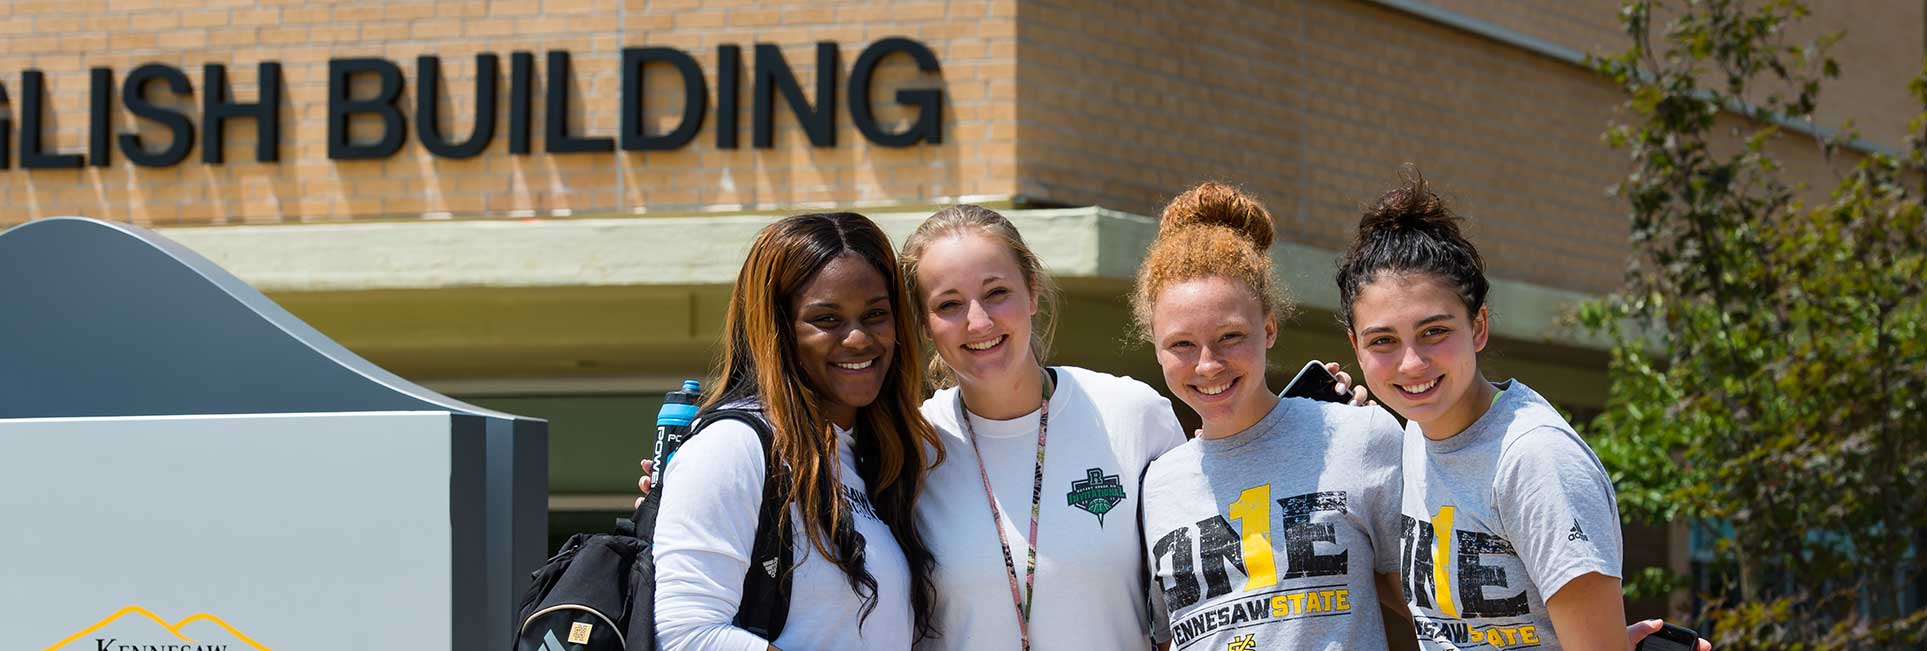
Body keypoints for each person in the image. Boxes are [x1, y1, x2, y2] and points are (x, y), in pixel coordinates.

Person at [1335, 172, 1708, 651]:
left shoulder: (1535, 460)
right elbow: (1440, 614)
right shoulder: (1416, 437)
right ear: (1356, 347)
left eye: (1434, 332)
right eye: (1383, 340)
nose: (1411, 363)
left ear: (1479, 327)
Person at [895, 205, 1189, 651]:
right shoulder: (909, 448)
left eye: (996, 292)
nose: (979, 322)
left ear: (1032, 291)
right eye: (949, 304)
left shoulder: (1133, 415)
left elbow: (1197, 599)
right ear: (924, 324)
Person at [1132, 182, 1411, 650]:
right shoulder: (1157, 486)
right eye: (1181, 344)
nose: (1207, 365)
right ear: (1155, 347)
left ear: (1269, 328)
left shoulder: (1359, 436)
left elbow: (1436, 610)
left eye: (1230, 336)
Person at [651, 212, 943, 651]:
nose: (859, 338)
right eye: (827, 319)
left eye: (876, 314)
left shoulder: (878, 455)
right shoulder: (733, 447)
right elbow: (685, 636)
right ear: (778, 331)